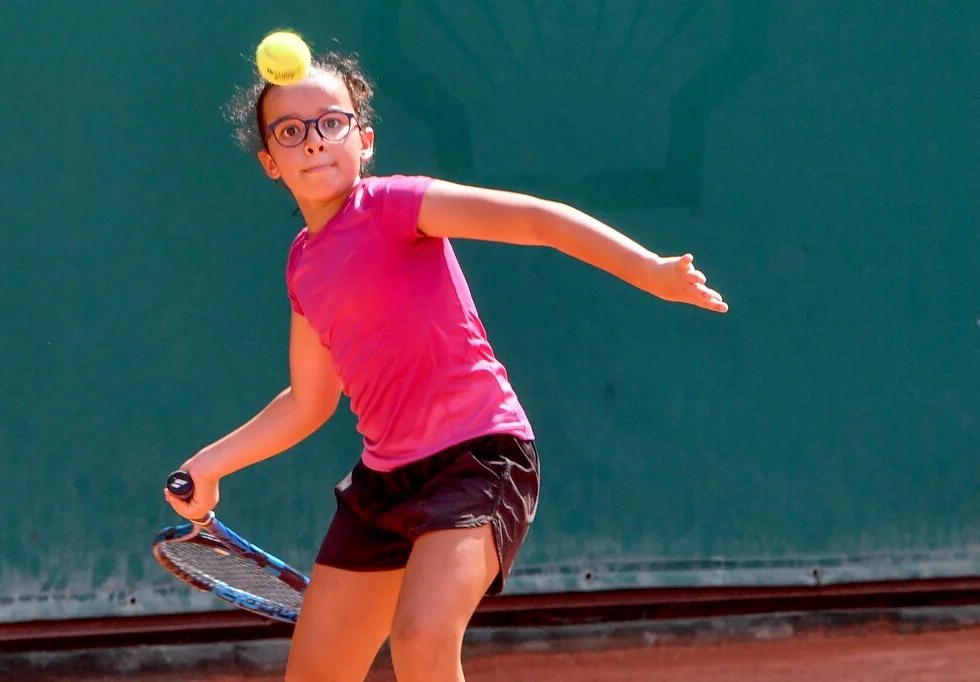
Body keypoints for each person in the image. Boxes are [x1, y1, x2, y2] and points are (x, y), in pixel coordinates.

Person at [165, 51, 728, 682]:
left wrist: (650, 270)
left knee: (422, 640)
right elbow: (308, 401)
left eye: (331, 122)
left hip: (478, 459)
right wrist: (208, 464)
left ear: (364, 140)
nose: (314, 141)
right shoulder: (302, 265)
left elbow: (535, 220)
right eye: (290, 131)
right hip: (383, 487)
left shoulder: (395, 205)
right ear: (270, 162)